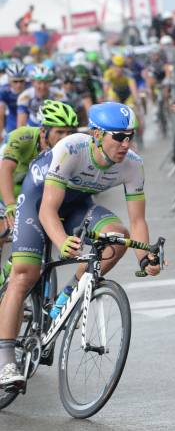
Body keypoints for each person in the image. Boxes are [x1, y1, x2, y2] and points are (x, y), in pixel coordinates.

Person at [0, 102, 161, 389]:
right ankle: (6, 360)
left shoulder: (133, 164)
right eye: (119, 137)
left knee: (116, 238)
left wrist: (144, 257)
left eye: (130, 136)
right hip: (39, 200)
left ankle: (66, 297)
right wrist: (61, 242)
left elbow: (138, 222)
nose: (126, 144)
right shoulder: (72, 148)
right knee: (24, 274)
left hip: (78, 204)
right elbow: (48, 209)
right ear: (97, 134)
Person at [0, 100, 78, 272]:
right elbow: (5, 171)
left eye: (69, 132)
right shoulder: (23, 137)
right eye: (60, 132)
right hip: (5, 189)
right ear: (44, 131)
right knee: (3, 230)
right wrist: (10, 204)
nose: (65, 138)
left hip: (29, 193)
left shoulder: (69, 148)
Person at [0, 63, 28, 136]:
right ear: (9, 80)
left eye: (21, 81)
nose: (18, 84)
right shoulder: (3, 91)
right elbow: (1, 113)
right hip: (12, 121)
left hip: (28, 121)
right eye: (15, 81)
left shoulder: (30, 87)